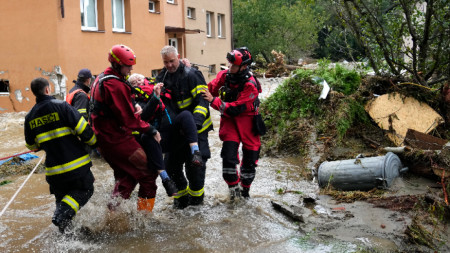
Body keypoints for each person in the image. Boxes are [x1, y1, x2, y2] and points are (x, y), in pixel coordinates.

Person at [89, 44, 159, 212]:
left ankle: (113, 213)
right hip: (115, 139)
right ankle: (144, 217)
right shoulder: (115, 84)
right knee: (148, 173)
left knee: (127, 174)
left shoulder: (102, 77)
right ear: (118, 64)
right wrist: (151, 130)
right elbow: (129, 120)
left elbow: (115, 107)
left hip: (104, 139)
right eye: (128, 66)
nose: (131, 69)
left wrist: (133, 105)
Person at [24, 77, 97, 233]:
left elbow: (32, 145)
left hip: (54, 172)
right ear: (47, 90)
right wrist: (94, 143)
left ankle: (67, 238)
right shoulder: (62, 106)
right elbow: (83, 129)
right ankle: (62, 215)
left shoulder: (29, 117)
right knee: (86, 190)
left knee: (62, 199)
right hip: (76, 166)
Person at [156, 45, 213, 209]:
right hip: (175, 132)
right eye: (166, 62)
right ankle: (180, 201)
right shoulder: (162, 77)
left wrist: (194, 123)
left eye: (172, 61)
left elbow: (203, 102)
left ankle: (196, 205)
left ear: (178, 57)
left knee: (195, 168)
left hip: (197, 130)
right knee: (171, 167)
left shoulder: (193, 75)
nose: (169, 65)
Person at [202, 47, 262, 199]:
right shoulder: (225, 75)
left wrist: (213, 101)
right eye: (229, 64)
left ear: (243, 67)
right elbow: (210, 89)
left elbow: (235, 108)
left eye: (233, 65)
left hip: (248, 121)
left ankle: (245, 190)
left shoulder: (250, 85)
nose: (230, 67)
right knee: (228, 158)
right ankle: (233, 190)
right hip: (230, 122)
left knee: (250, 161)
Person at [127, 73, 178, 197]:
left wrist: (185, 66)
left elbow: (168, 76)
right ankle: (165, 178)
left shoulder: (158, 87)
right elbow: (143, 115)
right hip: (145, 137)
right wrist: (155, 97)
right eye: (134, 83)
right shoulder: (134, 100)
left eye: (140, 79)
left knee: (149, 178)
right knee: (145, 176)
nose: (138, 83)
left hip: (165, 132)